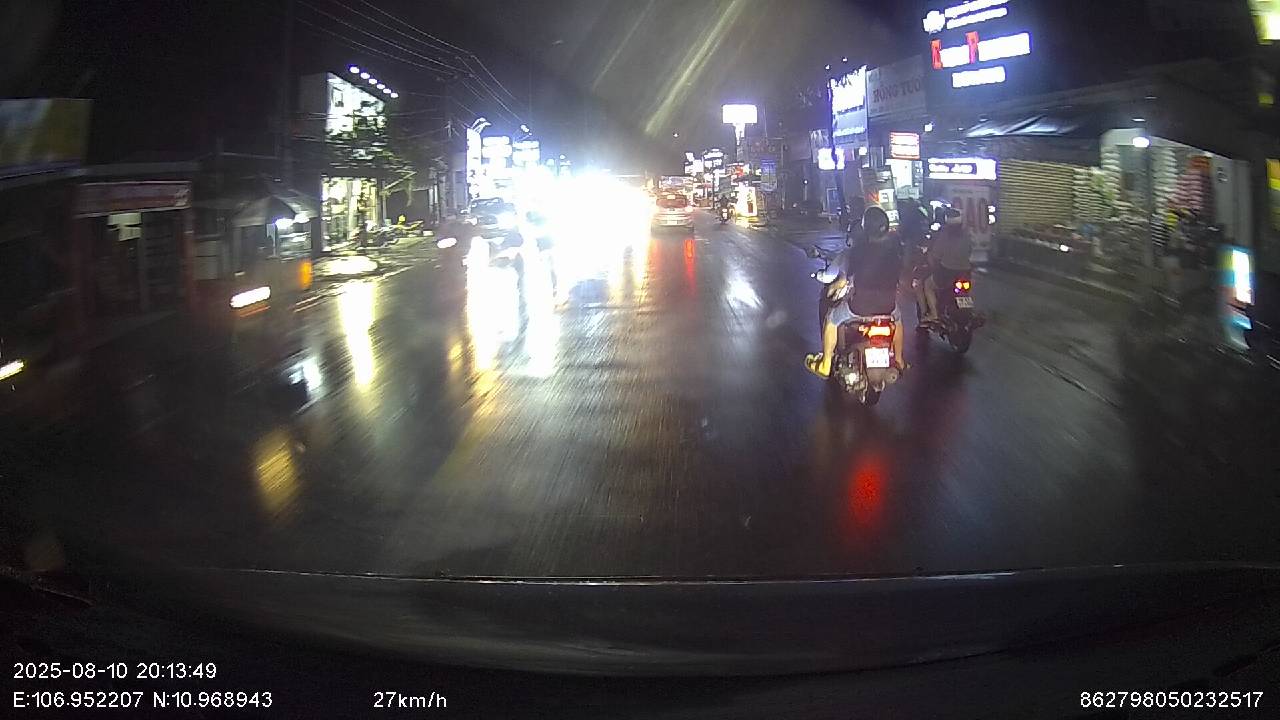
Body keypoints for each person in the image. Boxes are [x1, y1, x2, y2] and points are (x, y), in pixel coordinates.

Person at [806, 205, 908, 378]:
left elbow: (843, 281)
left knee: (832, 319)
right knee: (897, 321)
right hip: (888, 307)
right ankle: (899, 360)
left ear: (865, 228)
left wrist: (832, 288)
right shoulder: (896, 253)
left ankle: (825, 364)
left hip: (859, 307)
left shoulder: (858, 252)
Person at [922, 207, 971, 323]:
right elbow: (970, 251)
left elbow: (936, 255)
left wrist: (932, 261)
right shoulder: (967, 234)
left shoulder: (944, 234)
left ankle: (934, 315)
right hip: (965, 271)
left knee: (928, 285)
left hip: (947, 272)